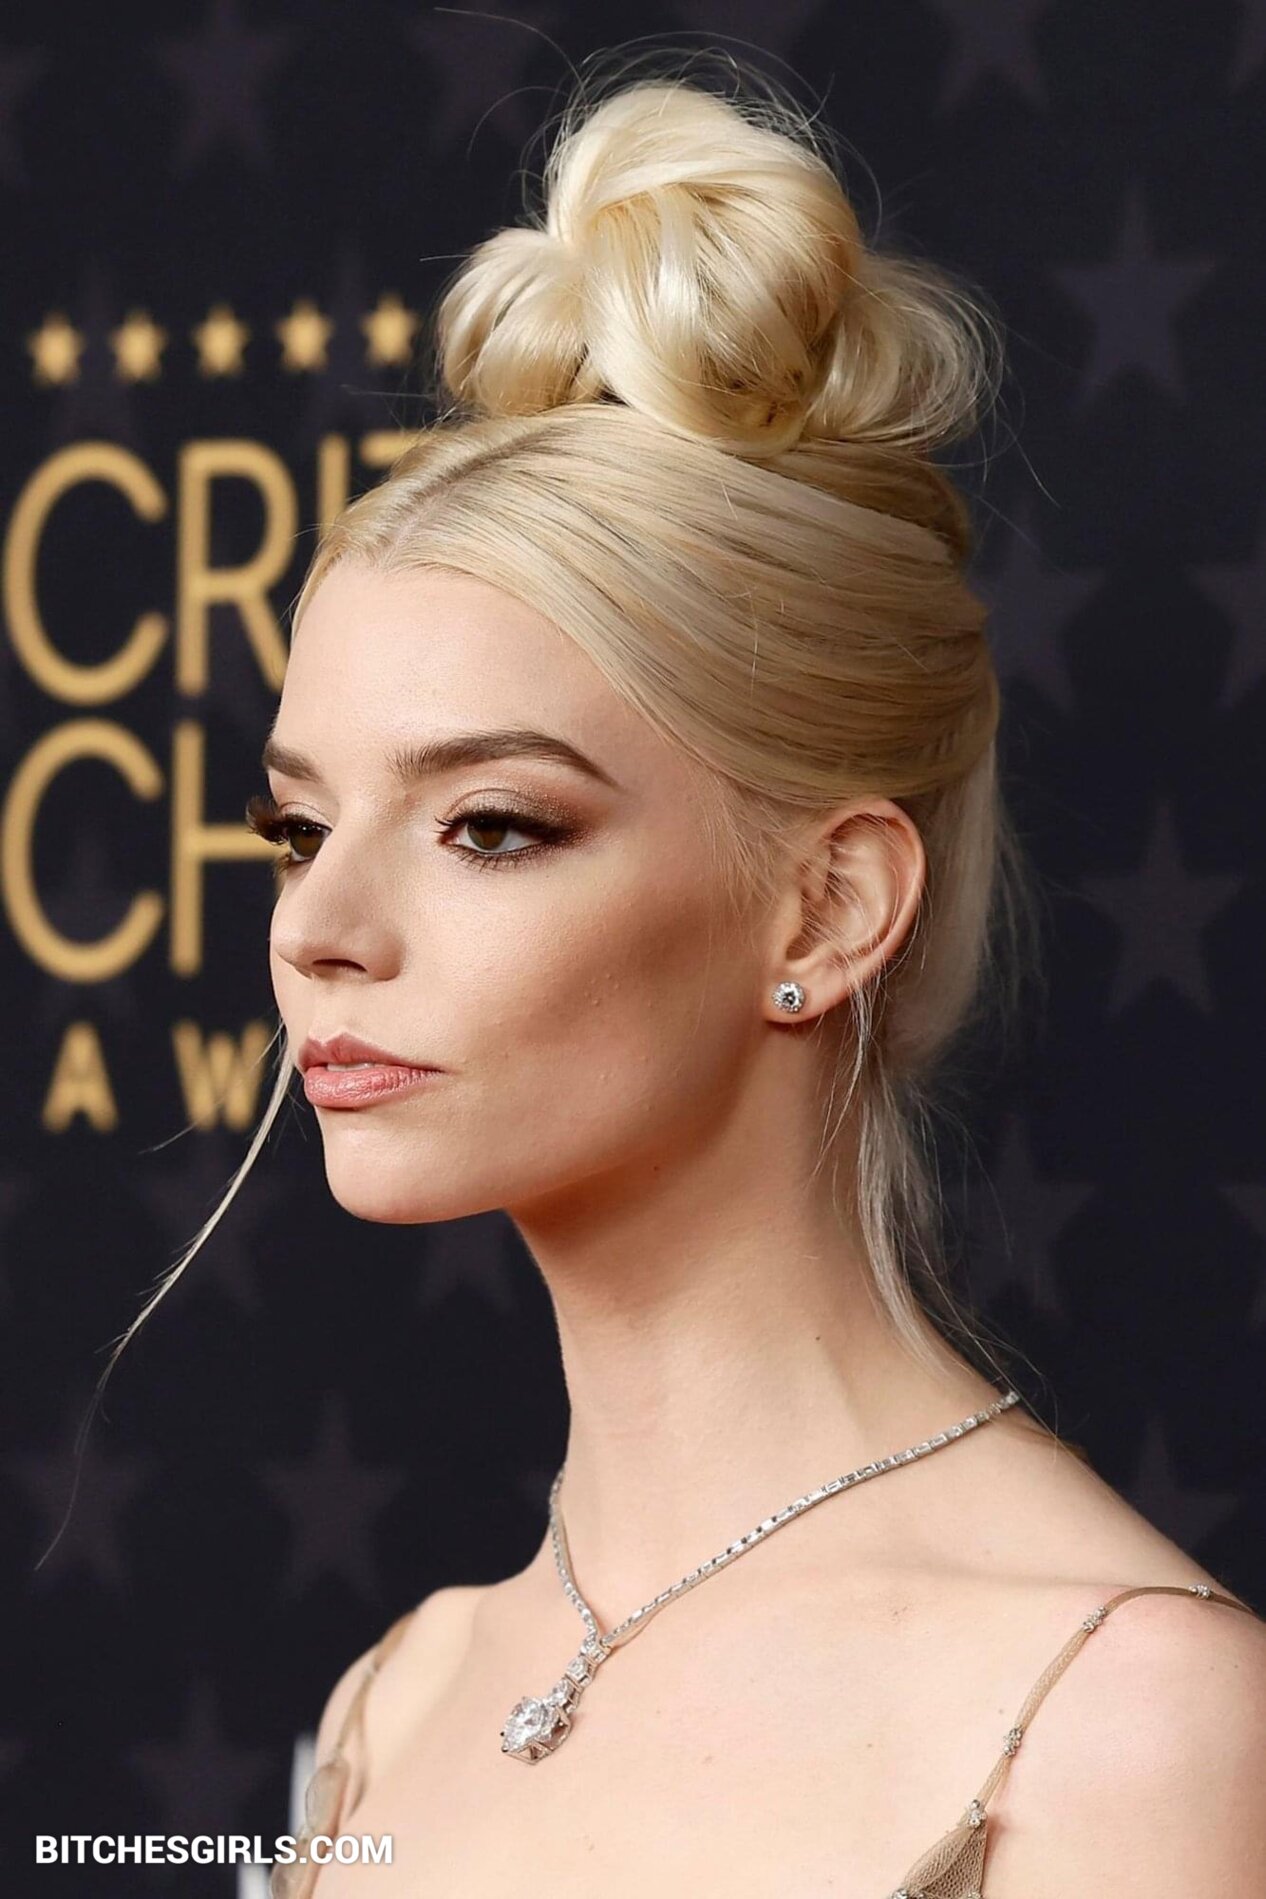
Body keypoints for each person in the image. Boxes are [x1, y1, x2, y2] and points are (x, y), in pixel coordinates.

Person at [137, 57, 1265, 1897]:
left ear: (824, 909)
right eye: (296, 825)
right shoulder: (390, 1705)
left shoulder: (1117, 1725)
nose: (316, 925)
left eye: (490, 824)